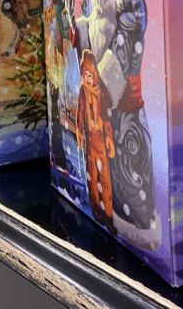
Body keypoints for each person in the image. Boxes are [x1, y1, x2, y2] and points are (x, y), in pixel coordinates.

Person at [67, 0, 157, 249]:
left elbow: (129, 43)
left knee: (128, 152)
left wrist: (104, 72)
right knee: (107, 153)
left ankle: (138, 220)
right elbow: (97, 30)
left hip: (122, 92)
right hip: (102, 91)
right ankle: (110, 207)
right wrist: (79, 30)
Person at [75, 50, 117, 233]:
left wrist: (109, 139)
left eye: (90, 75)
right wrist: (79, 133)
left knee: (104, 178)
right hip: (90, 143)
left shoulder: (101, 92)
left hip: (100, 141)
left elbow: (107, 118)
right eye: (84, 74)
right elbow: (80, 114)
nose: (87, 78)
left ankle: (108, 215)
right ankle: (96, 210)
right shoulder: (83, 91)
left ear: (95, 74)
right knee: (92, 176)